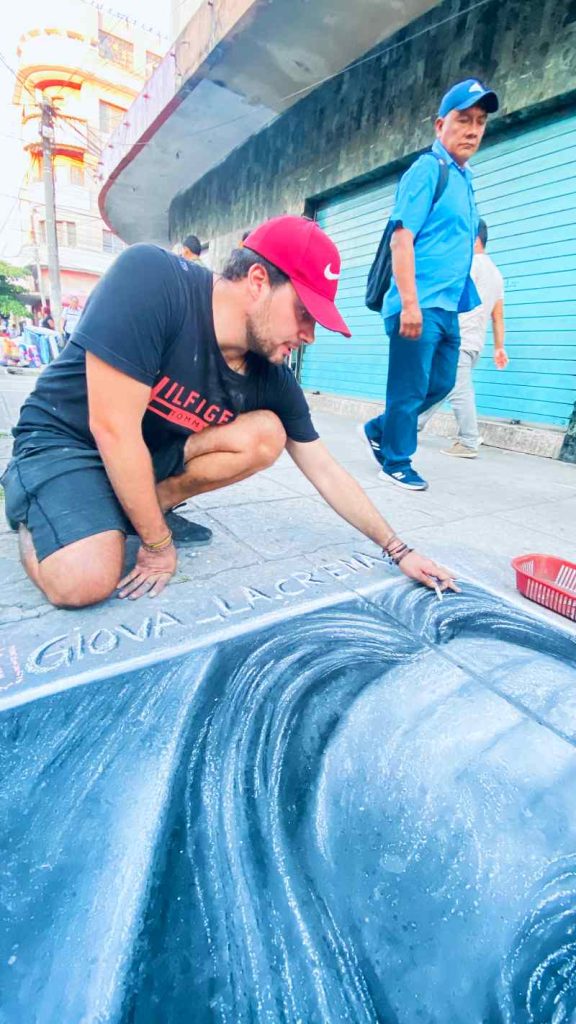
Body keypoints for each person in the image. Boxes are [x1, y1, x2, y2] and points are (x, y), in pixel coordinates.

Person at [1, 215, 457, 609]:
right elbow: (111, 428)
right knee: (84, 580)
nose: (309, 335)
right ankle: (34, 513)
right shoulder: (152, 279)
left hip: (145, 453)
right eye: (304, 314)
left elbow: (324, 468)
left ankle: (127, 511)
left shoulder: (268, 373)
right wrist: (158, 546)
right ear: (258, 282)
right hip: (65, 441)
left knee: (266, 433)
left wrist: (398, 550)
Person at [362, 78, 499, 491]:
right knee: (409, 387)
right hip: (416, 303)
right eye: (463, 120)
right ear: (440, 125)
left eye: (480, 121)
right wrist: (408, 303)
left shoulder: (465, 177)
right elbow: (401, 238)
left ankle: (380, 429)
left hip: (447, 306)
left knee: (440, 382)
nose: (473, 129)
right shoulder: (428, 170)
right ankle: (396, 460)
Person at [419, 219, 508, 456]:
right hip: (474, 343)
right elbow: (497, 316)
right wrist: (499, 347)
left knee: (458, 389)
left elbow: (447, 299)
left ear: (474, 238)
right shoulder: (496, 274)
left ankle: (468, 442)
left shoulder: (468, 264)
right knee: (441, 384)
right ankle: (412, 425)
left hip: (458, 340)